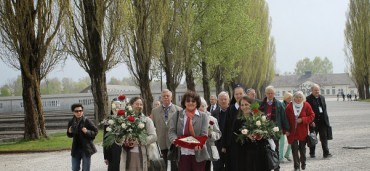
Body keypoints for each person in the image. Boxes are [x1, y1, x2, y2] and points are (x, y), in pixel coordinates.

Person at [168, 91, 209, 171]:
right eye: (188, 101)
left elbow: (204, 134)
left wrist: (200, 144)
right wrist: (175, 140)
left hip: (198, 154)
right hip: (182, 153)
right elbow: (171, 131)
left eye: (193, 101)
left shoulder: (203, 116)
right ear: (184, 102)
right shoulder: (177, 115)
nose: (190, 103)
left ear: (197, 103)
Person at [120, 97, 157, 170]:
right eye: (137, 104)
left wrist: (139, 141)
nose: (139, 106)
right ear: (131, 105)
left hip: (142, 155)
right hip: (127, 155)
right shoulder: (124, 120)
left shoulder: (147, 120)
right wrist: (124, 140)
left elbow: (154, 136)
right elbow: (119, 137)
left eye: (141, 104)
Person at [234, 96, 270, 171]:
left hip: (259, 150)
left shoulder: (259, 117)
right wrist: (246, 135)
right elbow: (235, 134)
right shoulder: (238, 120)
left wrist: (261, 135)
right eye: (242, 105)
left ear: (251, 105)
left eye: (246, 104)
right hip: (245, 152)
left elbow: (267, 131)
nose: (244, 107)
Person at [259, 85, 290, 171]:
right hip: (264, 130)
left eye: (271, 93)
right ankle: (267, 166)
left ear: (274, 94)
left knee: (275, 148)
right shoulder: (262, 104)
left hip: (275, 130)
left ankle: (276, 167)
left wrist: (286, 129)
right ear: (265, 94)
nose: (270, 95)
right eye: (268, 93)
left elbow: (283, 117)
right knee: (265, 149)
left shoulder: (279, 104)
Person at [150, 89, 182, 171]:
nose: (166, 97)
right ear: (161, 98)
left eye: (168, 96)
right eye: (164, 96)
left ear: (171, 97)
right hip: (161, 142)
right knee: (161, 166)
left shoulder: (179, 110)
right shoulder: (155, 111)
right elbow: (152, 127)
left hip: (174, 142)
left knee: (175, 166)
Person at [285, 91, 315, 171]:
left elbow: (312, 115)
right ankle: (296, 167)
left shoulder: (306, 105)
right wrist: (286, 130)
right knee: (294, 150)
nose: (298, 99)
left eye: (300, 97)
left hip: (303, 131)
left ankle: (303, 162)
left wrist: (302, 119)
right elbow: (285, 119)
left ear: (303, 98)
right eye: (297, 97)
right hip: (292, 132)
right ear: (293, 98)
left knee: (302, 149)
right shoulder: (289, 107)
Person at [67, 103, 98, 171]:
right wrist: (69, 132)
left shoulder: (87, 120)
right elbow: (70, 135)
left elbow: (95, 131)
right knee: (74, 168)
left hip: (86, 149)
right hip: (76, 149)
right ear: (73, 112)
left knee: (86, 169)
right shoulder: (71, 121)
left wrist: (87, 132)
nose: (79, 112)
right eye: (76, 111)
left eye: (80, 110)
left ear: (82, 111)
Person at [222, 85, 245, 171]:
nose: (239, 96)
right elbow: (226, 127)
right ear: (234, 95)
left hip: (246, 143)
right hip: (233, 144)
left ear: (244, 94)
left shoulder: (248, 107)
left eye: (240, 93)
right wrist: (224, 145)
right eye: (236, 94)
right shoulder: (230, 109)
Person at [306, 84, 332, 158]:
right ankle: (312, 153)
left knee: (324, 138)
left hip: (322, 122)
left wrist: (327, 122)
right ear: (312, 90)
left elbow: (325, 110)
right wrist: (310, 121)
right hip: (313, 123)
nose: (317, 91)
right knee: (313, 138)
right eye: (315, 90)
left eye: (318, 90)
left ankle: (326, 153)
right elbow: (307, 112)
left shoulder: (322, 98)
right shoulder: (308, 99)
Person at [199, 97, 221, 171]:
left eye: (202, 106)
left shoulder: (212, 119)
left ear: (206, 107)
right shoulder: (191, 118)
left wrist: (211, 134)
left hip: (207, 149)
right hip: (195, 150)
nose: (200, 108)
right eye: (198, 106)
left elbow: (218, 134)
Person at [211, 91, 230, 171]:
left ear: (228, 100)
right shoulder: (214, 113)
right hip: (217, 145)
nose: (223, 101)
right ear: (218, 101)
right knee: (217, 167)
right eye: (221, 99)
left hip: (229, 145)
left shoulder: (232, 112)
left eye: (225, 99)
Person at [104, 99, 122, 171]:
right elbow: (105, 139)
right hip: (112, 152)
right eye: (114, 106)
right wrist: (106, 156)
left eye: (118, 106)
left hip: (124, 150)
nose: (116, 108)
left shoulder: (126, 119)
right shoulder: (108, 121)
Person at [280, 92, 293, 162]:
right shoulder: (281, 105)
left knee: (291, 141)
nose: (290, 99)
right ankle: (280, 157)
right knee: (281, 142)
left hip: (290, 126)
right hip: (282, 126)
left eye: (291, 98)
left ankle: (287, 154)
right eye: (289, 98)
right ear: (285, 98)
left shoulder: (292, 105)